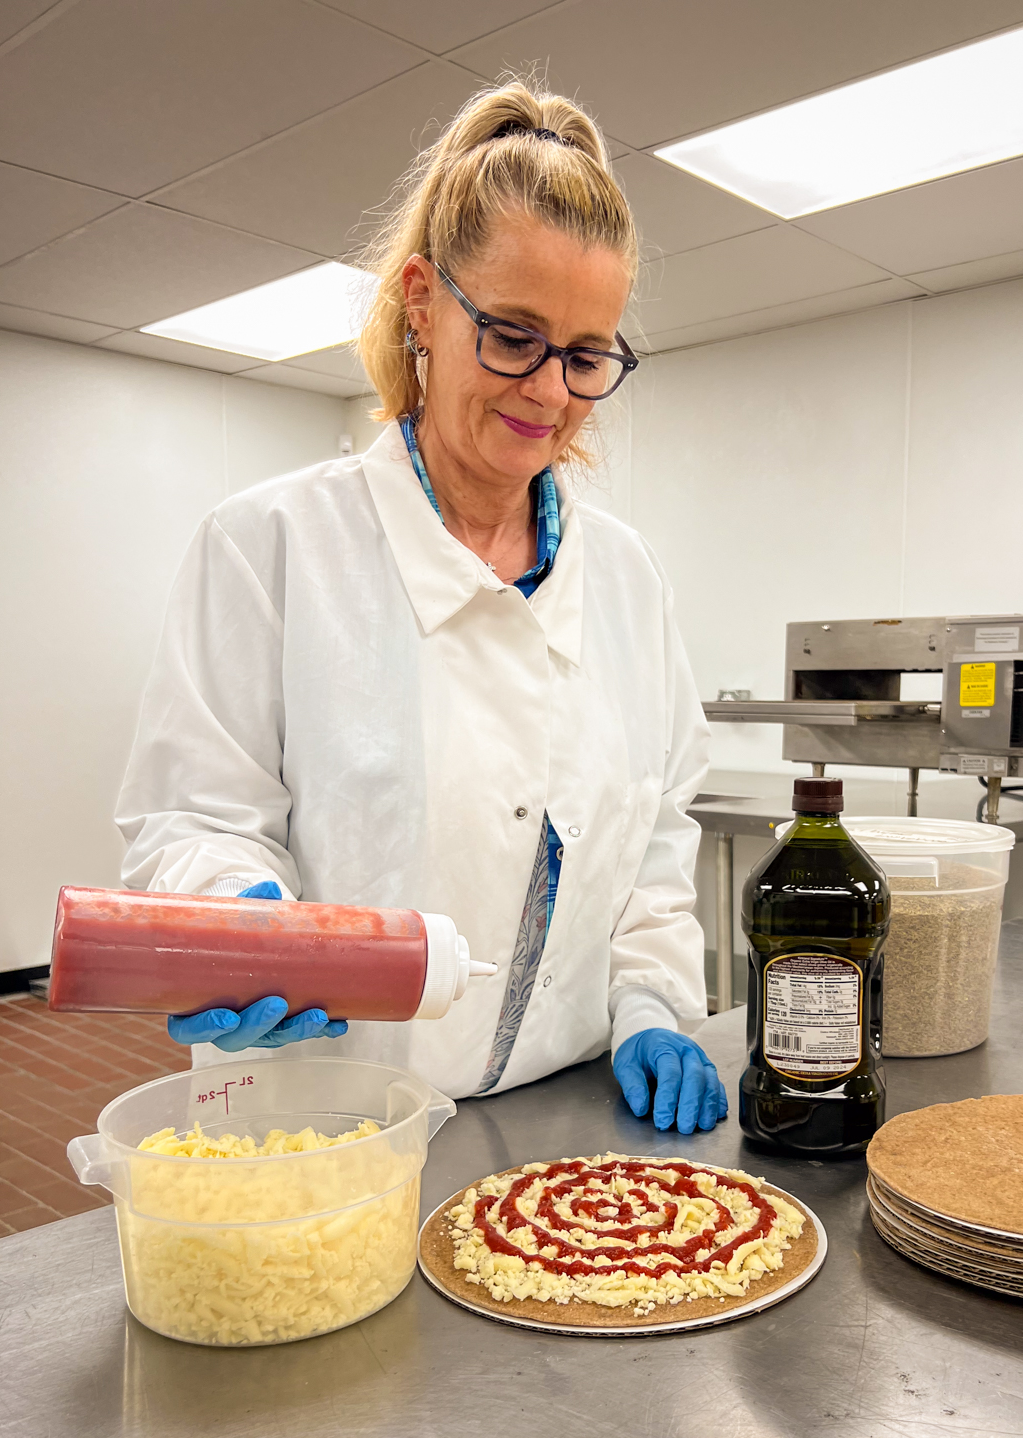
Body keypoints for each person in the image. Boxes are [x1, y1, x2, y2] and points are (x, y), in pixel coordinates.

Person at [116, 80, 726, 1135]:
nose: (548, 391)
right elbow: (197, 820)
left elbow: (657, 845)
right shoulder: (271, 548)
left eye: (586, 355)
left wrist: (652, 1001)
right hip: (320, 1125)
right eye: (513, 336)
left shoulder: (627, 581)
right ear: (422, 303)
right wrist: (237, 922)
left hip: (559, 1125)